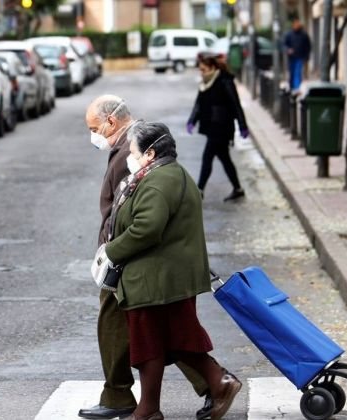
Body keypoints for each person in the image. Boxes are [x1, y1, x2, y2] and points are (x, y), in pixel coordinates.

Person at [81, 96, 217, 420]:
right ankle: (138, 401)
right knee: (160, 334)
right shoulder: (141, 159)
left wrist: (110, 251)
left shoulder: (144, 167)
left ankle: (214, 383)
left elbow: (139, 222)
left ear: (111, 122)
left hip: (141, 266)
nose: (93, 135)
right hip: (143, 265)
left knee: (160, 334)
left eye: (93, 128)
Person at [103, 121, 242, 420]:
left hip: (156, 279)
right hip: (166, 276)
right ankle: (215, 384)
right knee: (174, 340)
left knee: (151, 343)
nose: (132, 157)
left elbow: (146, 229)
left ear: (150, 153)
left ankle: (152, 408)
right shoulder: (166, 174)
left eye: (136, 152)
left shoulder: (158, 180)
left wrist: (110, 251)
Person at [187, 54, 249, 202]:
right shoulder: (205, 83)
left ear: (213, 68)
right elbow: (199, 104)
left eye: (204, 69)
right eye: (200, 70)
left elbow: (235, 105)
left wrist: (242, 125)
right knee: (225, 159)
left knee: (207, 157)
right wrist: (192, 120)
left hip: (222, 127)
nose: (201, 73)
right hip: (211, 126)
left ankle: (199, 190)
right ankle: (238, 188)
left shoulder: (224, 82)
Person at [283, 17, 311, 92]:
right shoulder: (289, 34)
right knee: (292, 72)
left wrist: (306, 57)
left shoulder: (304, 35)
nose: (297, 25)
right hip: (291, 57)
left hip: (300, 57)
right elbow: (284, 44)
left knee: (297, 72)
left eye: (298, 23)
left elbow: (308, 46)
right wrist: (288, 50)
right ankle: (292, 86)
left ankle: (296, 88)